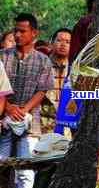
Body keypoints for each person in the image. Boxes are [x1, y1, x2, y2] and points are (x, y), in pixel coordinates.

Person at [0, 13, 55, 188]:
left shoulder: (43, 61)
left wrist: (23, 110)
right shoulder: (2, 56)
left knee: (25, 172)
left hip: (31, 123)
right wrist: (8, 107)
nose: (17, 35)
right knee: (2, 168)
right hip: (2, 119)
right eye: (16, 31)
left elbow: (42, 90)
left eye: (22, 31)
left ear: (34, 33)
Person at [40, 28, 72, 134]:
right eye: (59, 40)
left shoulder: (74, 70)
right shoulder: (41, 66)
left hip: (66, 126)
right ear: (51, 43)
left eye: (68, 42)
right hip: (42, 124)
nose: (63, 44)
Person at [69, 0, 95, 64]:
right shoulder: (84, 21)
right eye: (94, 2)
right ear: (91, 3)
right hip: (84, 61)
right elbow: (74, 46)